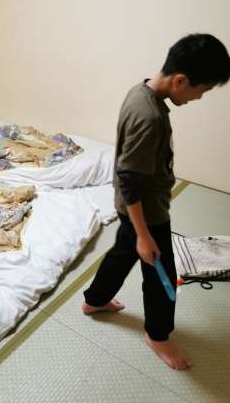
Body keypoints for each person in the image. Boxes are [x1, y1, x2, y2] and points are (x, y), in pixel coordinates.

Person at [82, 33, 230, 371]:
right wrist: (145, 235)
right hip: (146, 213)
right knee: (161, 276)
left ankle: (95, 299)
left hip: (132, 208)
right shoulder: (149, 116)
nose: (199, 98)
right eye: (202, 90)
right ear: (180, 80)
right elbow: (129, 178)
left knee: (122, 253)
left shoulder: (140, 91)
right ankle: (158, 335)